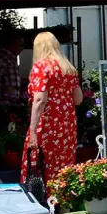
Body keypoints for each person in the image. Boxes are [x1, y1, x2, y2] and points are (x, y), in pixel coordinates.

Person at [26, 32, 83, 185]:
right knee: (64, 167)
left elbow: (39, 99)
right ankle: (63, 203)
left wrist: (32, 131)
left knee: (42, 166)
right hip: (66, 126)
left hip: (47, 125)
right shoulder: (68, 69)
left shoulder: (41, 67)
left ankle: (44, 203)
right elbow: (78, 100)